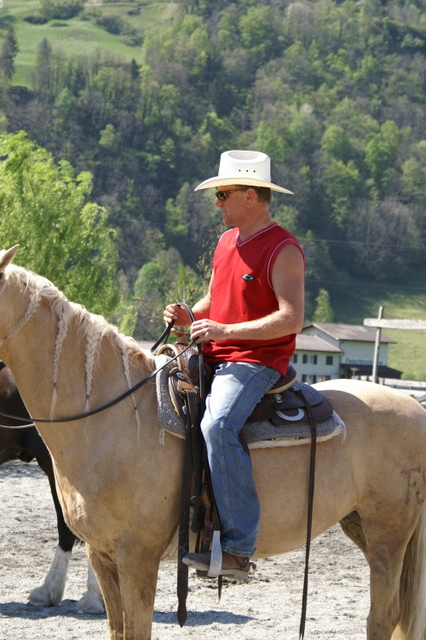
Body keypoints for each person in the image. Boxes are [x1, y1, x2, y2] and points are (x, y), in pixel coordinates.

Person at [164, 149, 305, 580]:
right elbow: (216, 299)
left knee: (218, 425)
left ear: (250, 196)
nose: (217, 202)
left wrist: (223, 331)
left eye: (223, 194)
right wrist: (190, 315)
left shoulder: (283, 249)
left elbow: (291, 318)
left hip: (256, 360)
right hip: (215, 351)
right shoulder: (227, 242)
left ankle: (239, 549)